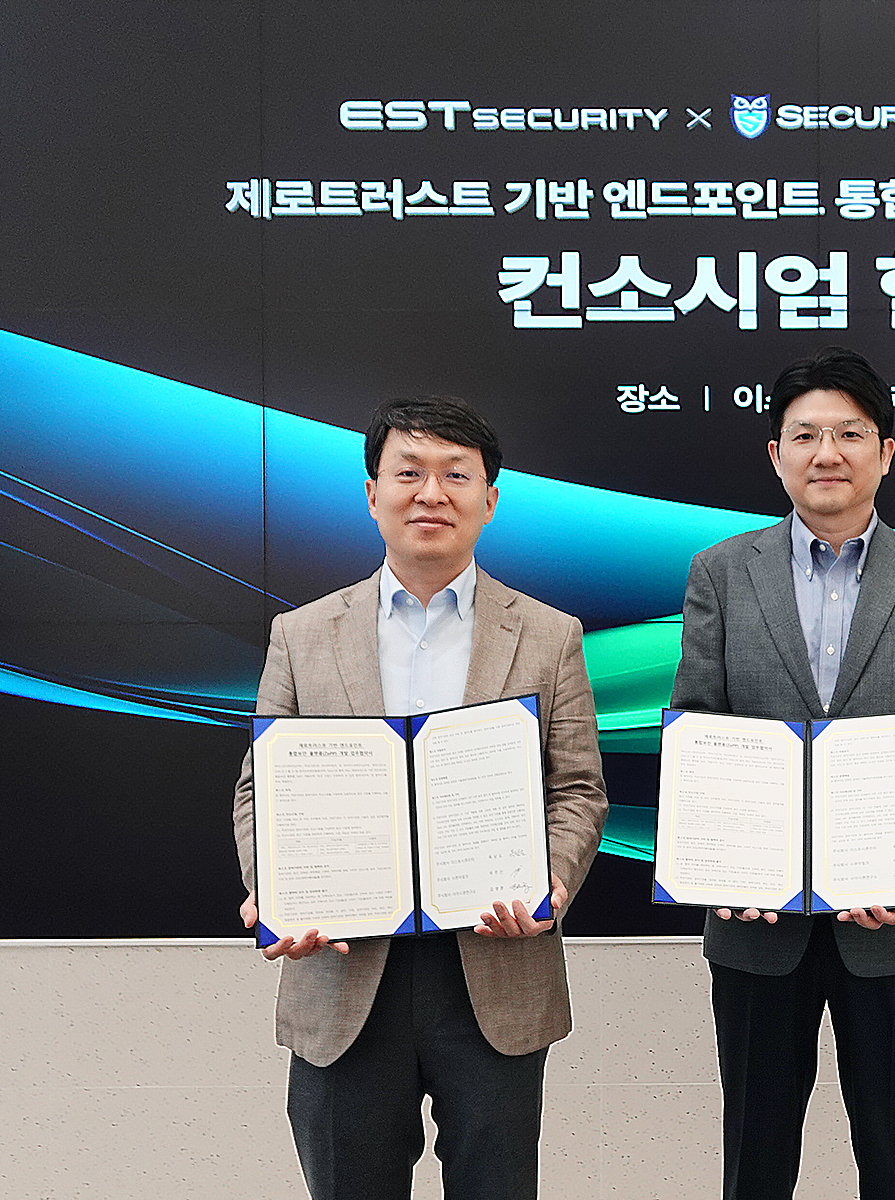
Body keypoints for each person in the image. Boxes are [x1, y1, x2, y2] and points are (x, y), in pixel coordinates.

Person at [231, 396, 608, 1200]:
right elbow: (261, 786)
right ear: (373, 495)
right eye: (409, 473)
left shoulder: (550, 635)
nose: (431, 493)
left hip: (495, 964)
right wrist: (278, 891)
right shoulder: (302, 634)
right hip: (343, 969)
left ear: (489, 500)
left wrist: (551, 883)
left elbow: (577, 788)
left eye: (455, 475)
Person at [671, 347, 895, 1200]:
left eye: (849, 434)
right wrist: (728, 865)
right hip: (756, 925)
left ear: (885, 452)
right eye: (805, 435)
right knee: (755, 1162)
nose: (827, 453)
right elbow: (698, 733)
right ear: (775, 455)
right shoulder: (721, 572)